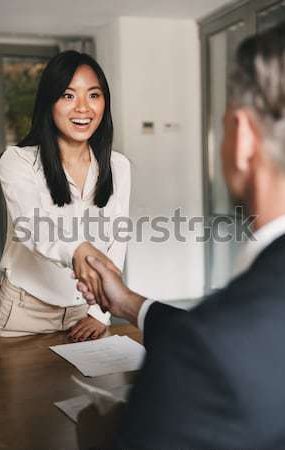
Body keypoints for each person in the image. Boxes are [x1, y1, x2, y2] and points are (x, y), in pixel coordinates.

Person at [77, 22, 285, 450]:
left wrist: (100, 436)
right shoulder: (222, 337)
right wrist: (131, 303)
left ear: (243, 137)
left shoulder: (209, 353)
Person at [0, 50, 130, 340]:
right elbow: (31, 224)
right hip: (26, 312)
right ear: (49, 103)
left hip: (87, 309)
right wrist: (79, 249)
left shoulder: (118, 166)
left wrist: (99, 312)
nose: (83, 108)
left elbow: (118, 239)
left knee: (92, 387)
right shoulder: (18, 161)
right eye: (69, 96)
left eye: (93, 95)